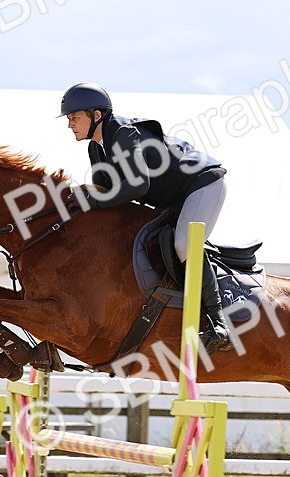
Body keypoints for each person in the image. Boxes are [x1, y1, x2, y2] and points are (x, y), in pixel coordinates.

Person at [59, 82, 233, 354]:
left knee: (184, 245)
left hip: (201, 184)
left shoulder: (125, 134)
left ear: (96, 116)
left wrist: (92, 200)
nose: (70, 124)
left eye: (74, 117)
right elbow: (104, 192)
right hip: (171, 199)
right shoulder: (96, 148)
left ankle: (219, 323)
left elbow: (136, 186)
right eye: (69, 119)